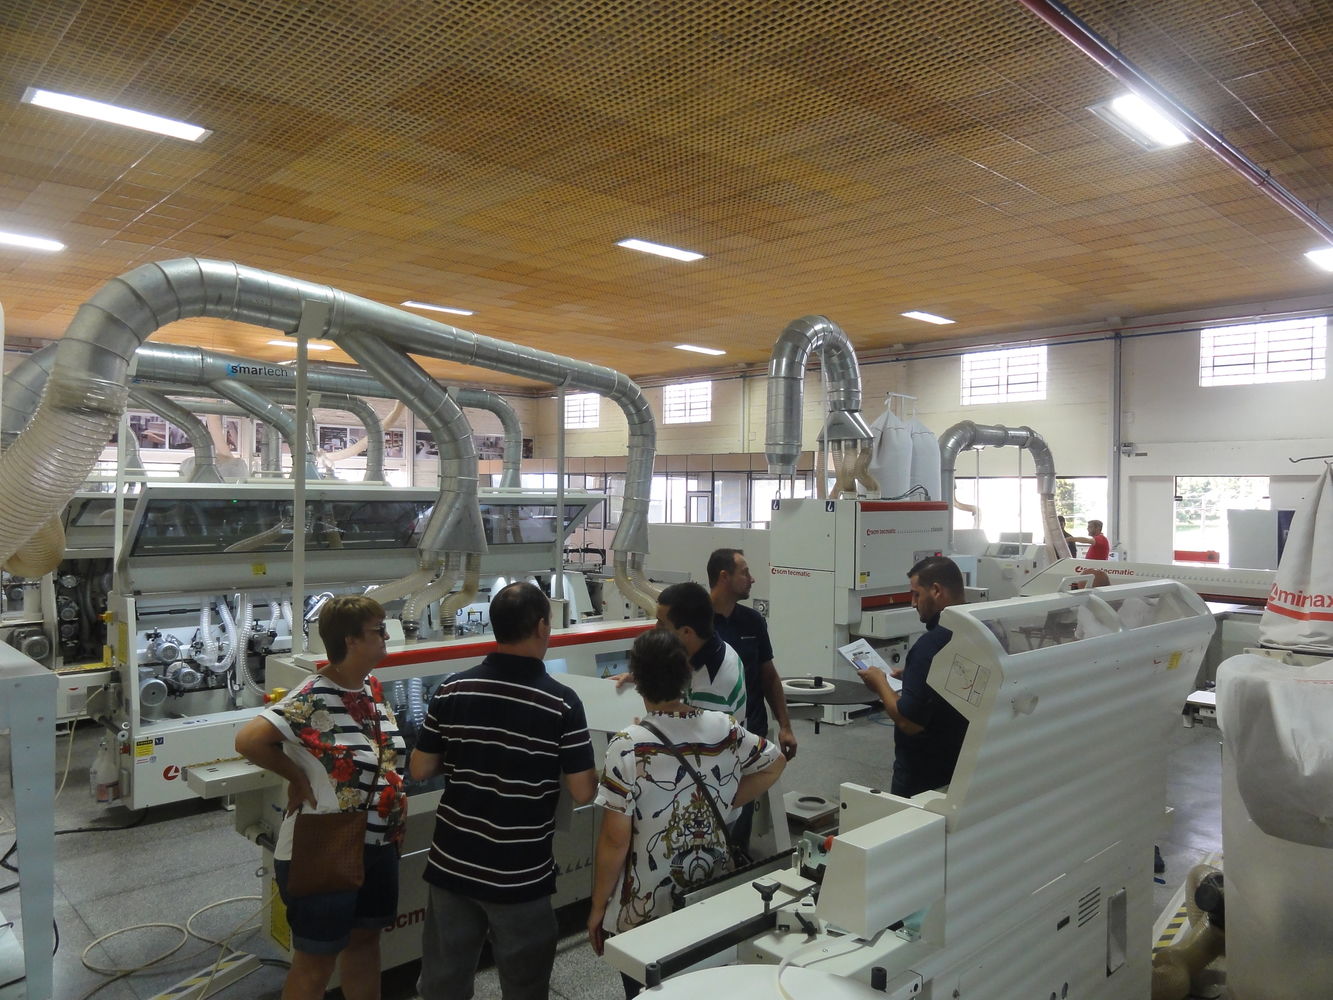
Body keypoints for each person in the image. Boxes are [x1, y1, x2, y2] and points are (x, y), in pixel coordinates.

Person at [411, 582, 598, 1000]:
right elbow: (583, 790)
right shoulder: (561, 703)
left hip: (452, 863)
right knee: (524, 985)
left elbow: (420, 768)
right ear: (542, 627)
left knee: (443, 982)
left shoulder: (452, 688)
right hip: (518, 873)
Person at [587, 629, 785, 997]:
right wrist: (724, 798)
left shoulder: (628, 746)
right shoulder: (724, 727)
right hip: (711, 890)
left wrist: (598, 906)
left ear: (638, 682)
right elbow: (775, 763)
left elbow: (615, 840)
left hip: (646, 908)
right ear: (686, 675)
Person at [234, 595, 407, 1000]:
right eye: (378, 631)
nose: (386, 637)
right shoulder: (312, 696)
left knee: (365, 943)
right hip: (326, 845)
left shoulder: (370, 687)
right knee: (315, 963)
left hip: (379, 842)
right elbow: (249, 740)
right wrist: (296, 777)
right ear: (350, 640)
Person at [857, 555, 970, 798]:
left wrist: (881, 684)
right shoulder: (980, 629)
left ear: (936, 591)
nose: (912, 603)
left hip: (922, 775)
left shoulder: (929, 646)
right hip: (962, 763)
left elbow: (909, 722)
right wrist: (913, 677)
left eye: (916, 594)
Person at [707, 548, 798, 760]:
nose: (752, 579)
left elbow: (769, 677)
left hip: (753, 732)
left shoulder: (753, 621)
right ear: (724, 577)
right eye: (745, 572)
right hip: (709, 737)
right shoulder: (695, 623)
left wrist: (785, 727)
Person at [655, 581, 746, 721]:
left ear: (687, 632)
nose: (656, 628)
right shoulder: (722, 648)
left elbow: (692, 735)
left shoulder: (709, 689)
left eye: (662, 623)